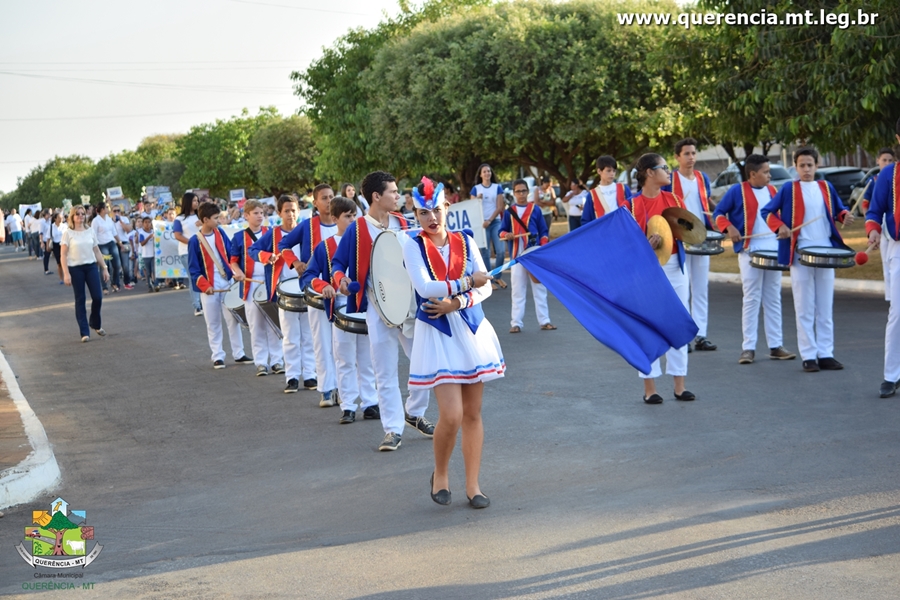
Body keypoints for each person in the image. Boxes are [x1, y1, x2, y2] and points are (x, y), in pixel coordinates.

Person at [401, 177, 504, 508]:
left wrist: (457, 302)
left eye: (436, 210)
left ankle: (473, 486)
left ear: (447, 207)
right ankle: (441, 473)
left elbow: (486, 287)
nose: (431, 218)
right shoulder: (413, 246)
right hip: (438, 333)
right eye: (423, 213)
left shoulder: (466, 240)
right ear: (415, 215)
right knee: (452, 414)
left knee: (473, 413)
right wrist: (466, 282)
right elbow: (425, 288)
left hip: (471, 329)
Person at [332, 171, 435, 451]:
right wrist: (341, 280)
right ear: (377, 196)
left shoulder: (404, 223)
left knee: (425, 364)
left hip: (411, 306)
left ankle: (414, 412)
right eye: (393, 191)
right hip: (378, 309)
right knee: (385, 371)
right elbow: (338, 263)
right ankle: (393, 429)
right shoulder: (357, 229)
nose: (398, 195)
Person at [761, 147, 854, 373]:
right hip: (801, 252)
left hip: (826, 251)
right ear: (795, 166)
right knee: (804, 306)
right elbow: (768, 212)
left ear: (816, 166)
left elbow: (838, 210)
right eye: (801, 165)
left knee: (825, 305)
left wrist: (844, 216)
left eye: (810, 165)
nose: (806, 169)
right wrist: (780, 226)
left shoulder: (826, 187)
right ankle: (809, 355)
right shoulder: (789, 189)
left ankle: (826, 353)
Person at [301, 196, 378, 423]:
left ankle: (370, 403)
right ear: (334, 219)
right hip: (341, 309)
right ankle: (348, 406)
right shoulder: (324, 247)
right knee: (344, 359)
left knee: (367, 358)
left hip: (365, 307)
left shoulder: (367, 243)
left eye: (354, 216)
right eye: (347, 216)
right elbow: (308, 276)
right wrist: (324, 286)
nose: (352, 220)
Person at [713, 154, 797, 364]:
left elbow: (780, 216)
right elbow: (719, 213)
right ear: (752, 174)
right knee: (751, 298)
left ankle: (776, 345)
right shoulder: (737, 191)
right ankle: (748, 348)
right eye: (766, 172)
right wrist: (729, 228)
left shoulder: (773, 191)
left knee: (773, 298)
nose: (769, 176)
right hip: (750, 249)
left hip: (773, 249)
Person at [631, 153, 695, 404]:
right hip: (646, 272)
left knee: (678, 322)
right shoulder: (631, 206)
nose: (669, 171)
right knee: (648, 325)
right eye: (664, 167)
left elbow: (688, 231)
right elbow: (625, 244)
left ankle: (680, 385)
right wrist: (644, 245)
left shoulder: (674, 199)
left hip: (675, 267)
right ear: (649, 172)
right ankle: (650, 388)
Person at [249, 195, 317, 393]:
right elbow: (253, 249)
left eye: (294, 210)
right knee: (290, 336)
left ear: (299, 211)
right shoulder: (273, 234)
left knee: (308, 335)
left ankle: (310, 375)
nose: (291, 214)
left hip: (306, 287)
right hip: (285, 291)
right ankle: (292, 376)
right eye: (286, 211)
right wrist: (266, 256)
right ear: (279, 213)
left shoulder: (307, 231)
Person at [279, 184, 338, 402]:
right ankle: (326, 389)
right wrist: (295, 262)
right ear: (315, 203)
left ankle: (344, 390)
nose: (329, 201)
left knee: (342, 345)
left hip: (341, 290)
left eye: (331, 197)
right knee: (321, 342)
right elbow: (284, 244)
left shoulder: (345, 224)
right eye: (324, 198)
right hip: (316, 289)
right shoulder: (307, 226)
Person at [663, 138, 717, 352]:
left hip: (700, 238)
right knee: (681, 289)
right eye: (686, 153)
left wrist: (719, 215)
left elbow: (706, 201)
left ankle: (701, 335)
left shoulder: (702, 178)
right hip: (679, 239)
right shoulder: (670, 179)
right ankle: (683, 335)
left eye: (693, 153)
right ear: (677, 157)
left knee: (701, 288)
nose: (691, 157)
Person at [187, 202, 251, 369]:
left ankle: (239, 353)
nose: (219, 221)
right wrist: (204, 286)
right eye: (216, 218)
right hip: (210, 287)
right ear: (205, 220)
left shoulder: (220, 233)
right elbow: (193, 269)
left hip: (227, 283)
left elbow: (230, 255)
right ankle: (217, 355)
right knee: (213, 322)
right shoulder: (194, 241)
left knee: (233, 320)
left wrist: (236, 271)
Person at [866, 120, 900, 397]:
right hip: (898, 249)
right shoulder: (889, 173)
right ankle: (892, 375)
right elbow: (875, 211)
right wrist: (873, 230)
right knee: (898, 313)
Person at [230, 200, 283, 377]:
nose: (260, 216)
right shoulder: (239, 237)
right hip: (250, 284)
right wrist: (237, 272)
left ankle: (277, 360)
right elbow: (233, 261)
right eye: (256, 213)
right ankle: (261, 362)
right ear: (246, 215)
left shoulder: (271, 233)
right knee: (256, 324)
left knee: (273, 323)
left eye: (262, 213)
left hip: (270, 282)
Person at [500, 179, 554, 333]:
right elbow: (501, 231)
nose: (521, 194)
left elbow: (543, 231)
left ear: (528, 191)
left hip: (533, 255)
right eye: (518, 191)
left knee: (539, 288)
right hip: (517, 257)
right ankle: (516, 323)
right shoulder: (509, 212)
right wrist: (507, 235)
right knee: (517, 290)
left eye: (524, 191)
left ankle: (545, 321)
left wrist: (541, 247)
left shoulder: (535, 209)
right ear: (513, 193)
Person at [60, 206, 109, 342]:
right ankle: (84, 332)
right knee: (80, 299)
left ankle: (95, 323)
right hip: (75, 269)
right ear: (72, 217)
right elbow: (63, 255)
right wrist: (66, 273)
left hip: (91, 266)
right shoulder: (68, 233)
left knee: (97, 297)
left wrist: (104, 268)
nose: (81, 216)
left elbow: (97, 251)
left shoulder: (90, 231)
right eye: (77, 214)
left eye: (82, 214)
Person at [470, 164, 507, 290]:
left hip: (495, 221)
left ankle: (497, 276)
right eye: (484, 171)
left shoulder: (497, 187)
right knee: (485, 253)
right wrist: (477, 199)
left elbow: (500, 207)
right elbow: (471, 206)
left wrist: (490, 220)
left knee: (500, 251)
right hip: (481, 223)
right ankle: (489, 279)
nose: (487, 173)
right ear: (480, 175)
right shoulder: (476, 189)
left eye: (489, 171)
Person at [581, 155, 634, 224]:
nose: (612, 174)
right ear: (599, 171)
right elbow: (586, 220)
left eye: (614, 171)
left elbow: (633, 210)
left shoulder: (623, 189)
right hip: (603, 229)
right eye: (608, 171)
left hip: (622, 228)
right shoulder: (592, 195)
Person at [173, 193, 202, 310]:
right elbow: (177, 235)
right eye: (194, 200)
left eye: (197, 200)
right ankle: (197, 305)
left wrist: (203, 224)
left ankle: (204, 302)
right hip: (187, 252)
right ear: (188, 202)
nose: (196, 203)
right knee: (193, 277)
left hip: (202, 251)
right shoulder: (179, 219)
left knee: (204, 276)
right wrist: (192, 243)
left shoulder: (201, 216)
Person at [91, 203, 125, 293]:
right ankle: (104, 287)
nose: (108, 209)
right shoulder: (95, 221)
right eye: (106, 207)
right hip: (102, 245)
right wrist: (95, 248)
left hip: (111, 243)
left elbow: (114, 232)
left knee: (117, 265)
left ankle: (114, 282)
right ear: (102, 209)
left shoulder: (109, 219)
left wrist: (120, 243)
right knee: (104, 266)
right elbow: (93, 235)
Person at [112, 206, 135, 289]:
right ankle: (116, 284)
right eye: (114, 211)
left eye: (118, 210)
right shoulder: (109, 221)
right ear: (111, 212)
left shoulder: (124, 219)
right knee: (116, 265)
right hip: (114, 244)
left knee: (125, 265)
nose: (116, 212)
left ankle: (127, 282)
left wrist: (120, 221)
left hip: (124, 242)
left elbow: (128, 230)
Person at [137, 217, 160, 292]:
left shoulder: (154, 231)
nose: (147, 224)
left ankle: (156, 284)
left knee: (154, 270)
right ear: (143, 224)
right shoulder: (141, 233)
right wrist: (149, 237)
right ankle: (150, 286)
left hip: (154, 254)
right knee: (148, 271)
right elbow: (142, 243)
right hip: (146, 255)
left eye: (149, 222)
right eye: (145, 222)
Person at [46, 212, 65, 284]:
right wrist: (47, 246)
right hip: (56, 245)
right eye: (59, 218)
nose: (61, 219)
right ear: (55, 219)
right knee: (59, 263)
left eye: (62, 218)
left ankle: (68, 275)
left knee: (66, 261)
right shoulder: (51, 227)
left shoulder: (65, 226)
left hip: (64, 245)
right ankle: (61, 278)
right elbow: (48, 237)